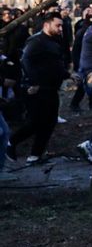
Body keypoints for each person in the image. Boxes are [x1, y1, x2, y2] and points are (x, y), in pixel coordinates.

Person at [7, 12, 68, 163]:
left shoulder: (55, 41)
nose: (61, 28)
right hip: (36, 89)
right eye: (58, 25)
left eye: (62, 25)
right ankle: (11, 142)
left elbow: (55, 63)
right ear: (47, 25)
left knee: (50, 122)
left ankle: (35, 155)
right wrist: (33, 83)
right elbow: (25, 60)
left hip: (51, 88)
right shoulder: (36, 41)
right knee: (35, 122)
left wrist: (68, 75)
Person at [69, 5, 92, 113]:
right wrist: (76, 64)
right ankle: (74, 104)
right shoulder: (82, 30)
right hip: (83, 62)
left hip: (90, 61)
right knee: (83, 85)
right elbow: (76, 50)